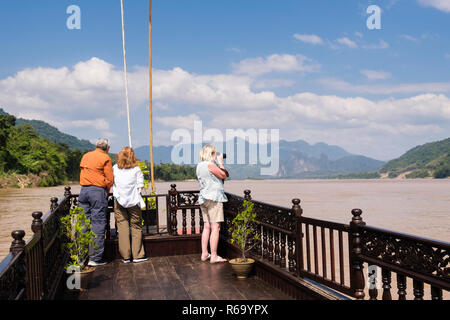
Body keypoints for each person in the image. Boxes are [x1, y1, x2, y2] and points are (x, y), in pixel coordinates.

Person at [79, 138, 114, 267]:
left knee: (83, 222)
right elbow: (110, 179)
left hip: (84, 191)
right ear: (107, 148)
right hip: (98, 192)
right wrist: (107, 191)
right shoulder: (105, 158)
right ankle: (95, 258)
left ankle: (81, 255)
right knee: (98, 224)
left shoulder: (86, 156)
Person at [112, 147, 149, 264]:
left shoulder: (115, 168)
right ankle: (137, 255)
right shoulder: (136, 170)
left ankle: (126, 256)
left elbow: (112, 183)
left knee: (122, 227)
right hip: (133, 201)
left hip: (119, 201)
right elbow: (140, 185)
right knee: (136, 227)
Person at [196, 144, 229, 264]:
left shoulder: (199, 166)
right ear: (210, 154)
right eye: (214, 153)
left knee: (206, 226)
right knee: (216, 227)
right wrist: (221, 163)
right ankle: (214, 255)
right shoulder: (210, 165)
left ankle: (205, 253)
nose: (216, 155)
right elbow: (223, 175)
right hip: (213, 198)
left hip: (203, 198)